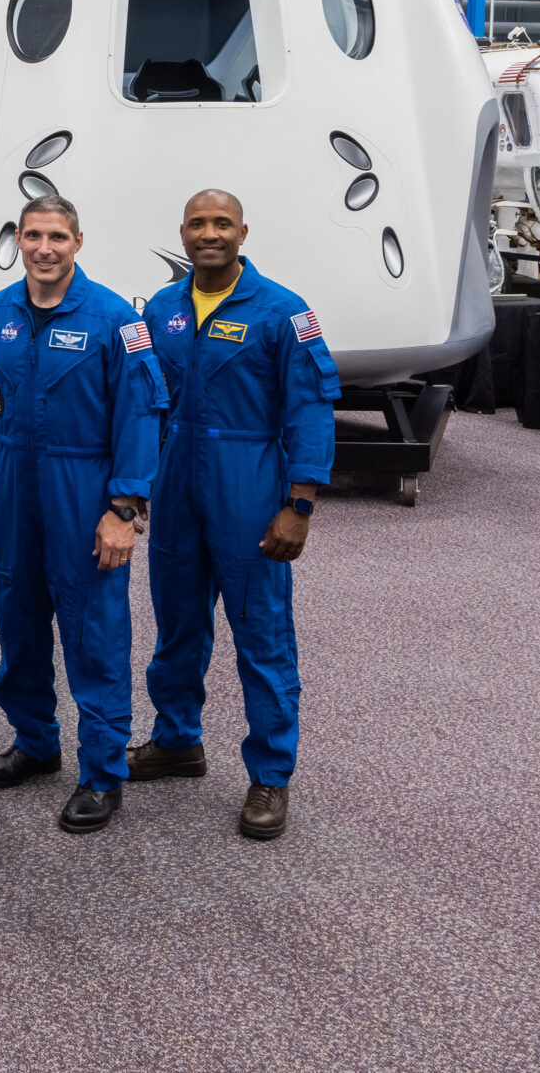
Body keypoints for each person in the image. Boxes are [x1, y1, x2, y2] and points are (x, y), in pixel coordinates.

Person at [134, 189, 338, 842]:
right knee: (177, 623)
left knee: (262, 633)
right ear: (183, 231)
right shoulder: (162, 308)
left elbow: (309, 409)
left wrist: (299, 505)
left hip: (249, 482)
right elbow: (144, 405)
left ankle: (271, 774)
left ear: (243, 231)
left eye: (222, 222)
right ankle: (177, 739)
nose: (209, 232)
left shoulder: (283, 311)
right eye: (198, 222)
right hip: (174, 487)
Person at [0, 194, 166, 836]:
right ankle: (34, 741)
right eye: (33, 235)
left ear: (78, 242)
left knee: (94, 633)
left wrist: (122, 508)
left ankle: (103, 771)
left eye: (57, 236)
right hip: (11, 483)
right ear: (18, 240)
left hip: (84, 488)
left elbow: (141, 415)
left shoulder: (116, 320)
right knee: (18, 619)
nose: (44, 248)